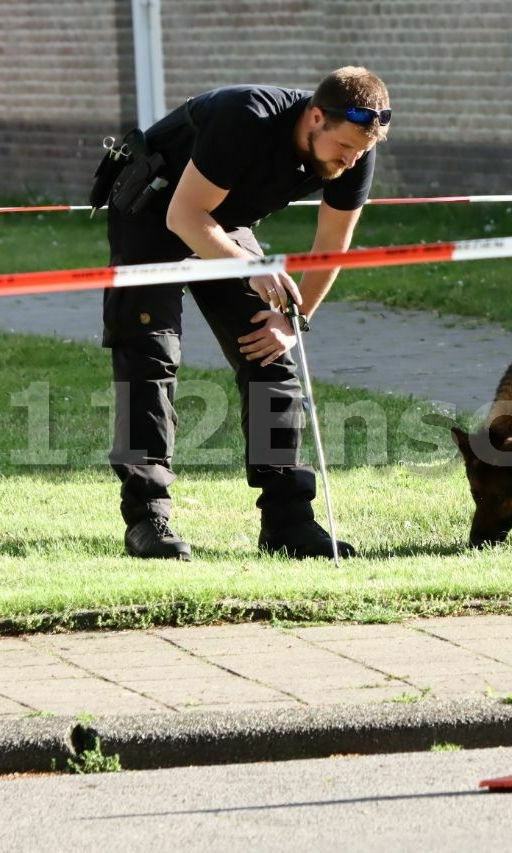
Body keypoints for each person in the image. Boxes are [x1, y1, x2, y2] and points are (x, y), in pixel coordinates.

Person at [101, 66, 390, 561]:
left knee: (271, 357)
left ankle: (288, 522)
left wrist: (292, 322)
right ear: (315, 117)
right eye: (344, 147)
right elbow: (182, 216)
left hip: (223, 224)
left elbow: (330, 247)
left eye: (361, 151)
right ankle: (147, 518)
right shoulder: (247, 117)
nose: (352, 159)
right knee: (151, 361)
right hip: (154, 213)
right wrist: (253, 268)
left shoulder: (355, 151)